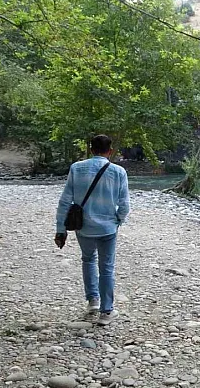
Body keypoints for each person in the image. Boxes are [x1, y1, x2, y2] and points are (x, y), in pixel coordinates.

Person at [54, 134, 130, 325]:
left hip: (84, 227)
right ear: (110, 151)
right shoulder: (119, 171)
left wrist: (60, 228)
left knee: (88, 259)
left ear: (90, 149)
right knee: (107, 268)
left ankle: (93, 301)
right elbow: (124, 204)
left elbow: (65, 201)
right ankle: (106, 312)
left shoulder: (76, 168)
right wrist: (118, 220)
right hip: (108, 228)